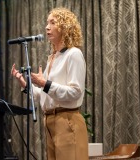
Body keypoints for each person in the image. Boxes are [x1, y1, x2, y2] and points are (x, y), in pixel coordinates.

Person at [11, 7, 88, 160]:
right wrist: (26, 84)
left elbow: (75, 92)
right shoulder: (52, 58)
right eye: (47, 23)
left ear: (64, 27)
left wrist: (45, 83)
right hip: (50, 122)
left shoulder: (74, 54)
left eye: (52, 23)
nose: (47, 27)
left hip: (67, 122)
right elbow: (45, 95)